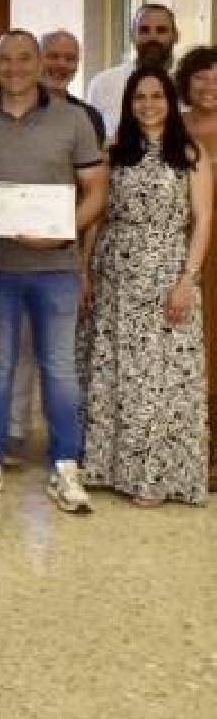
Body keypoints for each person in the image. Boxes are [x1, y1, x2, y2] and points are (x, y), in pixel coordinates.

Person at [0, 30, 107, 515]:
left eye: (25, 58)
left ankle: (66, 465)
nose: (15, 67)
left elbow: (97, 191)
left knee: (59, 370)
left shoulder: (74, 120)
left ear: (39, 63)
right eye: (5, 59)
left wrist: (62, 231)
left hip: (56, 268)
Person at [78, 66, 210, 506]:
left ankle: (155, 476)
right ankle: (110, 468)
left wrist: (188, 280)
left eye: (157, 96)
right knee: (115, 371)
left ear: (170, 102)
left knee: (161, 378)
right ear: (128, 103)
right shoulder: (114, 150)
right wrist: (85, 269)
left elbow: (204, 219)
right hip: (116, 271)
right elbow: (99, 214)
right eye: (139, 97)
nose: (148, 105)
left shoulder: (189, 152)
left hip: (167, 270)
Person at [176, 45, 217, 478]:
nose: (210, 86)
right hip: (183, 249)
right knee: (191, 349)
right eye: (202, 77)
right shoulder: (175, 127)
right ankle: (193, 449)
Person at [86, 3, 178, 133]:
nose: (152, 37)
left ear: (175, 36)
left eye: (161, 30)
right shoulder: (104, 83)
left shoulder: (189, 84)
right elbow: (92, 138)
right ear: (132, 36)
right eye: (144, 30)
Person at [41, 29, 107, 144]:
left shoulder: (90, 117)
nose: (62, 64)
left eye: (70, 59)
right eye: (53, 56)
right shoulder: (15, 111)